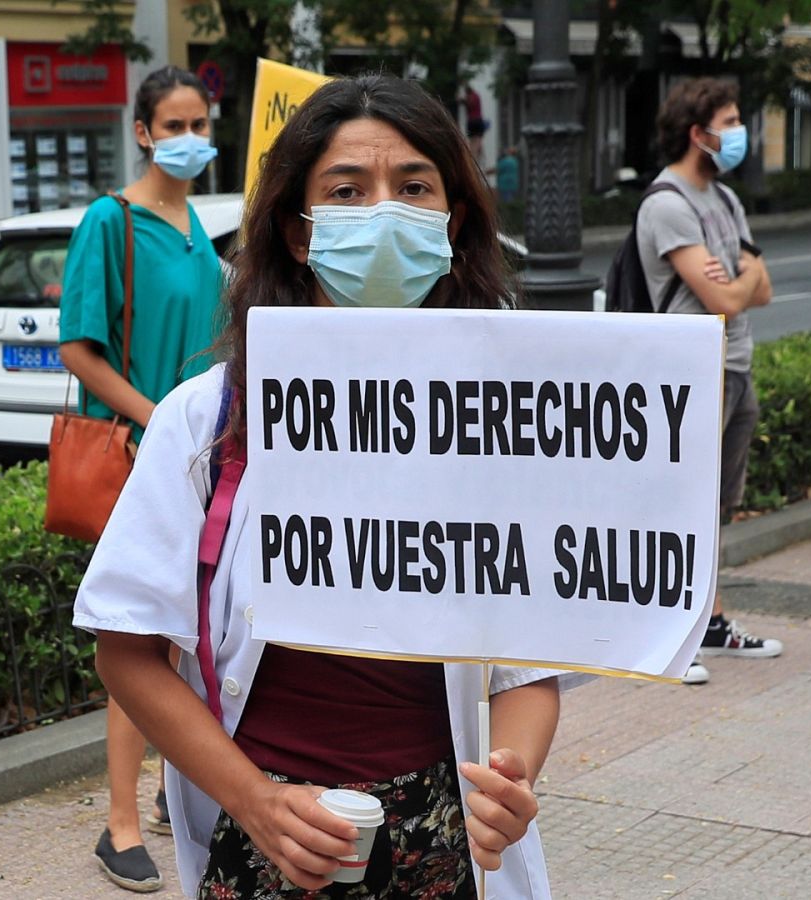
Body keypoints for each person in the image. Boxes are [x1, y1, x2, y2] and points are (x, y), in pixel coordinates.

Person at [72, 74, 560, 898]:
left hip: (445, 837)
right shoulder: (205, 422)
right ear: (300, 235)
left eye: (412, 188)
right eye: (346, 190)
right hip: (268, 831)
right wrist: (254, 802)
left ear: (453, 221)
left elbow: (527, 668)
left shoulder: (508, 424)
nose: (380, 213)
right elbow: (127, 650)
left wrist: (509, 778)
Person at [58, 64, 225, 893]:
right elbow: (78, 347)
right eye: (176, 124)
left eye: (202, 121)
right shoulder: (109, 220)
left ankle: (168, 792)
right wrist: (158, 418)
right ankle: (119, 822)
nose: (192, 137)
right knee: (142, 638)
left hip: (200, 459)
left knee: (190, 634)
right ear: (143, 131)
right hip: (141, 454)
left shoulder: (197, 224)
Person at [635, 77, 781, 686]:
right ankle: (671, 636)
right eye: (730, 120)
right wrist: (736, 285)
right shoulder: (667, 203)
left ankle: (712, 622)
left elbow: (760, 288)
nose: (739, 132)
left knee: (716, 506)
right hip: (693, 371)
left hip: (736, 364)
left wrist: (736, 286)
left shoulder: (723, 199)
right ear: (698, 134)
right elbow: (721, 294)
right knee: (679, 508)